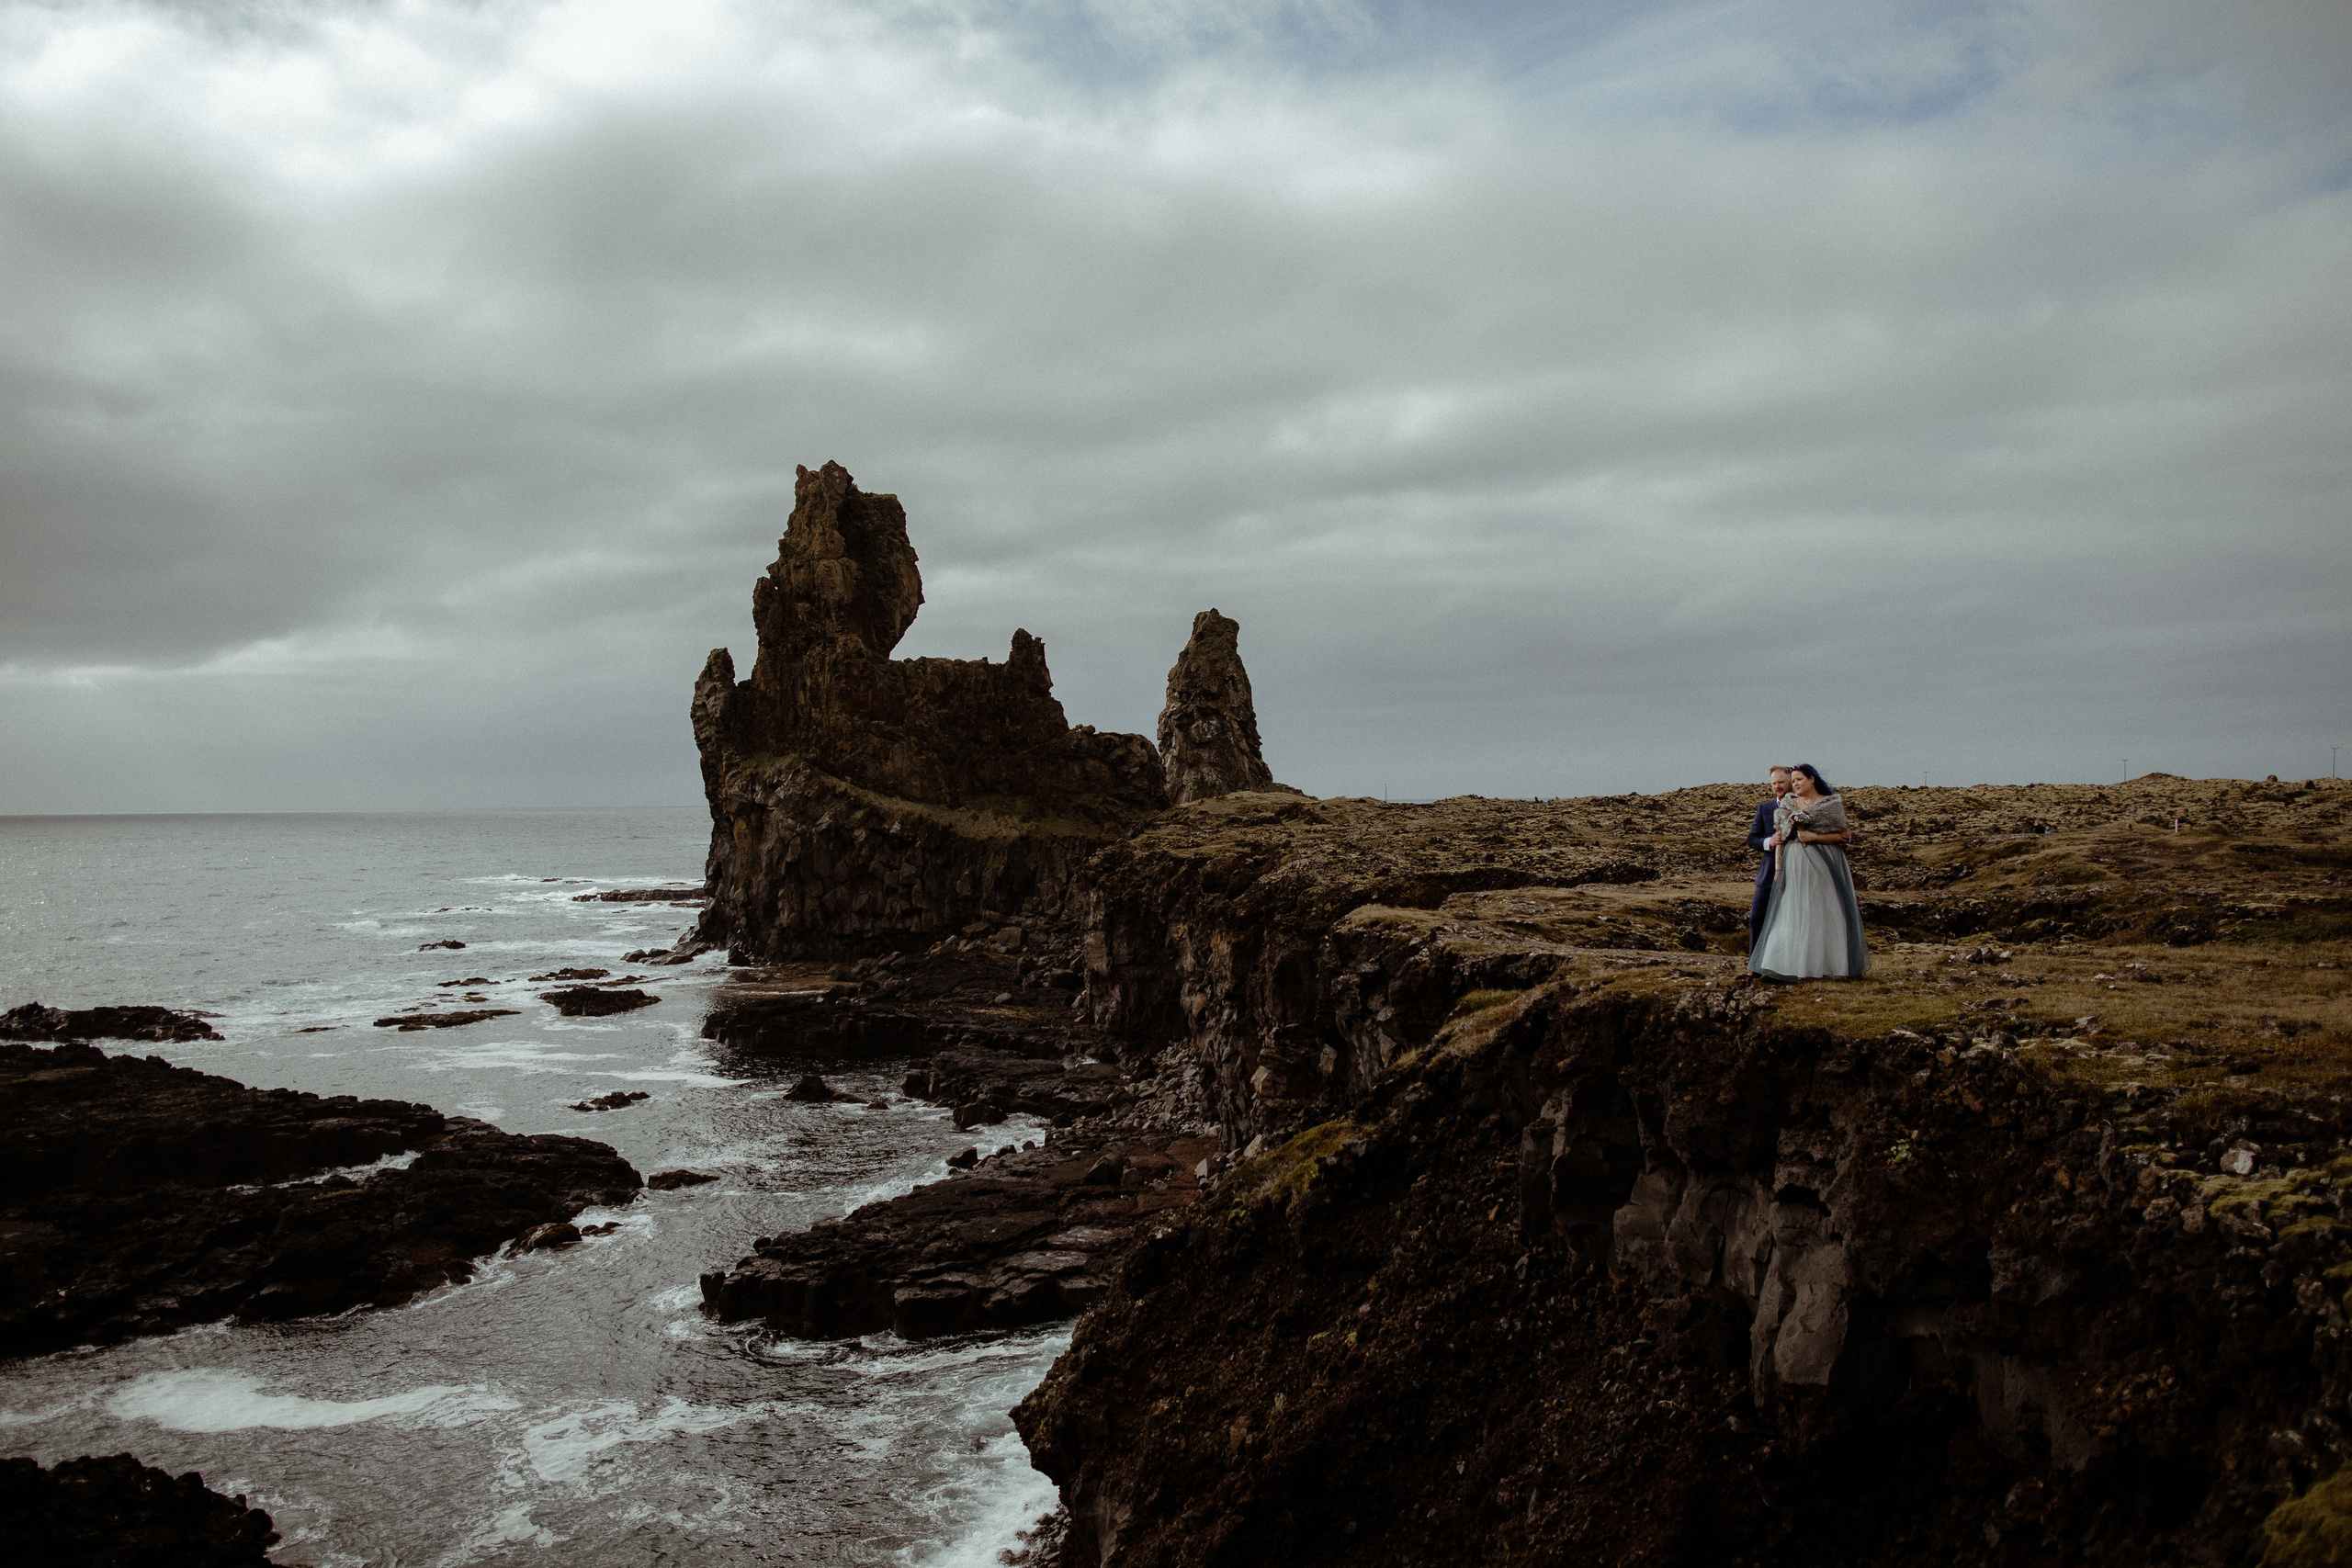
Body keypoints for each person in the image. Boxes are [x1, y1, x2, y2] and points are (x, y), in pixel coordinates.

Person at [1749, 762, 1870, 980]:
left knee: (1821, 911)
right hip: (1792, 864)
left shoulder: (1830, 804)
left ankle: (1825, 965)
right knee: (1789, 912)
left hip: (1822, 863)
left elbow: (1843, 835)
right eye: (1791, 781)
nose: (1792, 785)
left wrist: (1813, 836)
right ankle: (1778, 965)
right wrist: (1776, 849)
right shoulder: (1784, 804)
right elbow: (1768, 835)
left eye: (1796, 780)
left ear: (1811, 779)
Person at [1744, 767, 1795, 949]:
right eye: (1773, 783)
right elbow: (1752, 839)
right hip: (1768, 875)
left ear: (1791, 781)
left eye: (1781, 782)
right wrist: (1769, 842)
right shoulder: (1765, 807)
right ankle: (1755, 966)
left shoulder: (1803, 804)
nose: (1777, 787)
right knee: (1757, 918)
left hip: (1797, 872)